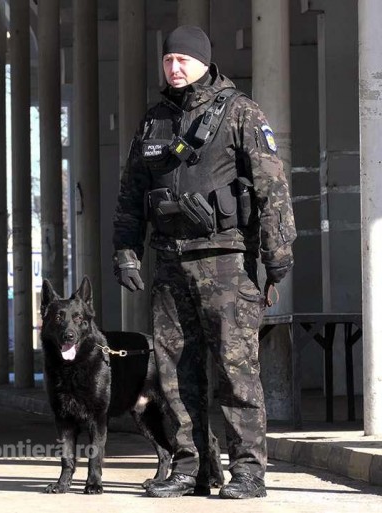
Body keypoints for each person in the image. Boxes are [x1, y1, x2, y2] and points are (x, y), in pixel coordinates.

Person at [112, 25, 296, 499]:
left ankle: (249, 473)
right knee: (175, 374)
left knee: (236, 373)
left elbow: (272, 187)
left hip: (227, 262)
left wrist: (277, 255)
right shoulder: (154, 122)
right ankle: (191, 468)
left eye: (183, 60)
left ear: (204, 62)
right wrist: (126, 252)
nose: (175, 68)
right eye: (168, 60)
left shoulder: (240, 113)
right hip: (170, 264)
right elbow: (131, 195)